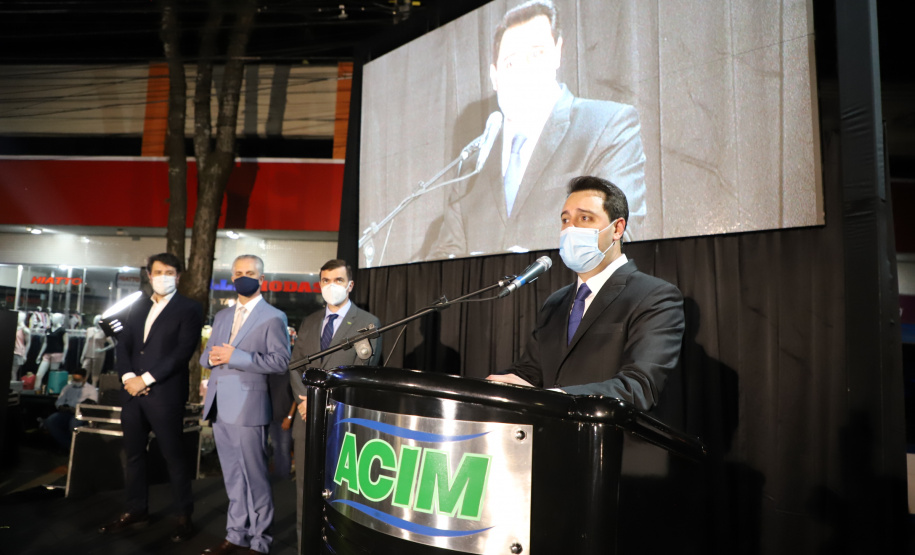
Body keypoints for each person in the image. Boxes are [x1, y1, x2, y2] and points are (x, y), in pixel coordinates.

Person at [428, 0, 646, 260]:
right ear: (494, 77)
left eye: (537, 54)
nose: (524, 72)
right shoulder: (472, 163)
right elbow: (443, 258)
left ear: (557, 53)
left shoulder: (608, 126)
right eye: (511, 63)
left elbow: (618, 236)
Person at [488, 176, 684, 412]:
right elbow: (531, 373)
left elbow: (639, 386)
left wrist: (557, 398)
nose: (570, 229)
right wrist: (498, 387)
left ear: (617, 229)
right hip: (551, 441)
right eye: (565, 220)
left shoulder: (655, 296)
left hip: (613, 442)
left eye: (584, 218)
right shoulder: (556, 302)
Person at [98, 252, 203, 543]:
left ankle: (183, 516)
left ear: (178, 276)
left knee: (173, 457)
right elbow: (124, 346)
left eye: (169, 272)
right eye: (158, 271)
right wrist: (128, 378)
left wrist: (145, 379)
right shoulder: (138, 306)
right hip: (132, 394)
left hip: (165, 393)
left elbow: (181, 353)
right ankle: (136, 509)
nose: (163, 276)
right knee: (133, 455)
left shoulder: (190, 308)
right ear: (149, 274)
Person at [288, 259, 382, 551]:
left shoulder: (368, 322)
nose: (331, 286)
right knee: (305, 495)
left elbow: (361, 376)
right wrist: (305, 401)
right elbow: (295, 366)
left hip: (340, 423)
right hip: (306, 419)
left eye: (338, 280)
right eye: (326, 280)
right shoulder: (310, 320)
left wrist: (321, 403)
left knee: (340, 496)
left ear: (350, 285)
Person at [200, 254, 291, 555]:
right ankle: (236, 534)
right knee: (232, 477)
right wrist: (211, 357)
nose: (243, 277)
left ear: (261, 279)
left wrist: (236, 357)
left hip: (248, 407)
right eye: (238, 273)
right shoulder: (223, 316)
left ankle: (260, 541)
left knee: (254, 477)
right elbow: (207, 355)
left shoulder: (273, 317)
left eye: (249, 272)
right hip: (218, 404)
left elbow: (281, 362)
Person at [42, 367, 98, 449]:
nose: (75, 381)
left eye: (78, 380)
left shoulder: (91, 390)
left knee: (74, 424)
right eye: (74, 379)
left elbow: (92, 404)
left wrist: (78, 409)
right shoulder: (68, 387)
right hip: (66, 412)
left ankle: (77, 448)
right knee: (50, 421)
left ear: (84, 379)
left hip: (80, 414)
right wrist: (61, 406)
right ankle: (67, 446)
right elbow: (59, 400)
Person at [34, 312, 68, 393]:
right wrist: (39, 354)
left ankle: (50, 391)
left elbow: (66, 344)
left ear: (60, 319)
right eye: (53, 318)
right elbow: (45, 343)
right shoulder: (48, 330)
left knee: (52, 375)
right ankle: (36, 390)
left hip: (57, 354)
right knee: (39, 374)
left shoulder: (62, 331)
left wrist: (64, 356)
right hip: (47, 354)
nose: (54, 319)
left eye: (56, 318)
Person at [81, 315, 115, 385]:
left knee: (95, 374)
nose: (97, 322)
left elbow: (112, 344)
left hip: (98, 355)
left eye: (98, 320)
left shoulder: (104, 332)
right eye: (96, 320)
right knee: (84, 370)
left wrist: (102, 350)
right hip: (88, 354)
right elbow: (86, 343)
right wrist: (82, 355)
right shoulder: (89, 330)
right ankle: (82, 388)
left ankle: (93, 389)